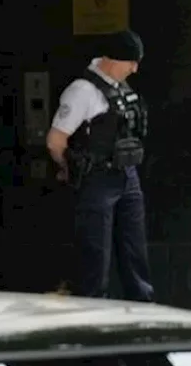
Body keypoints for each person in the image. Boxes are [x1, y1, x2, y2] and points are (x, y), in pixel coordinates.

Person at [46, 30, 154, 302]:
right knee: (95, 256)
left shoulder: (120, 85)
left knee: (134, 251)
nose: (135, 68)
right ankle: (93, 314)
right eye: (130, 61)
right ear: (111, 59)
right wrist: (71, 168)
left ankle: (143, 309)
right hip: (97, 178)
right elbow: (56, 140)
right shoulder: (82, 90)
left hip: (127, 175)